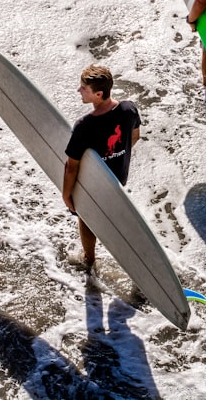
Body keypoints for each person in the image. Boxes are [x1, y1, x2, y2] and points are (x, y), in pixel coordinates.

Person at [62, 65, 141, 269]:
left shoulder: (84, 126)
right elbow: (135, 136)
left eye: (83, 88)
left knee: (86, 218)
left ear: (98, 94)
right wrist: (115, 155)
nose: (79, 91)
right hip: (117, 178)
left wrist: (66, 195)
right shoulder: (129, 109)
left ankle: (88, 259)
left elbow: (71, 167)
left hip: (93, 183)